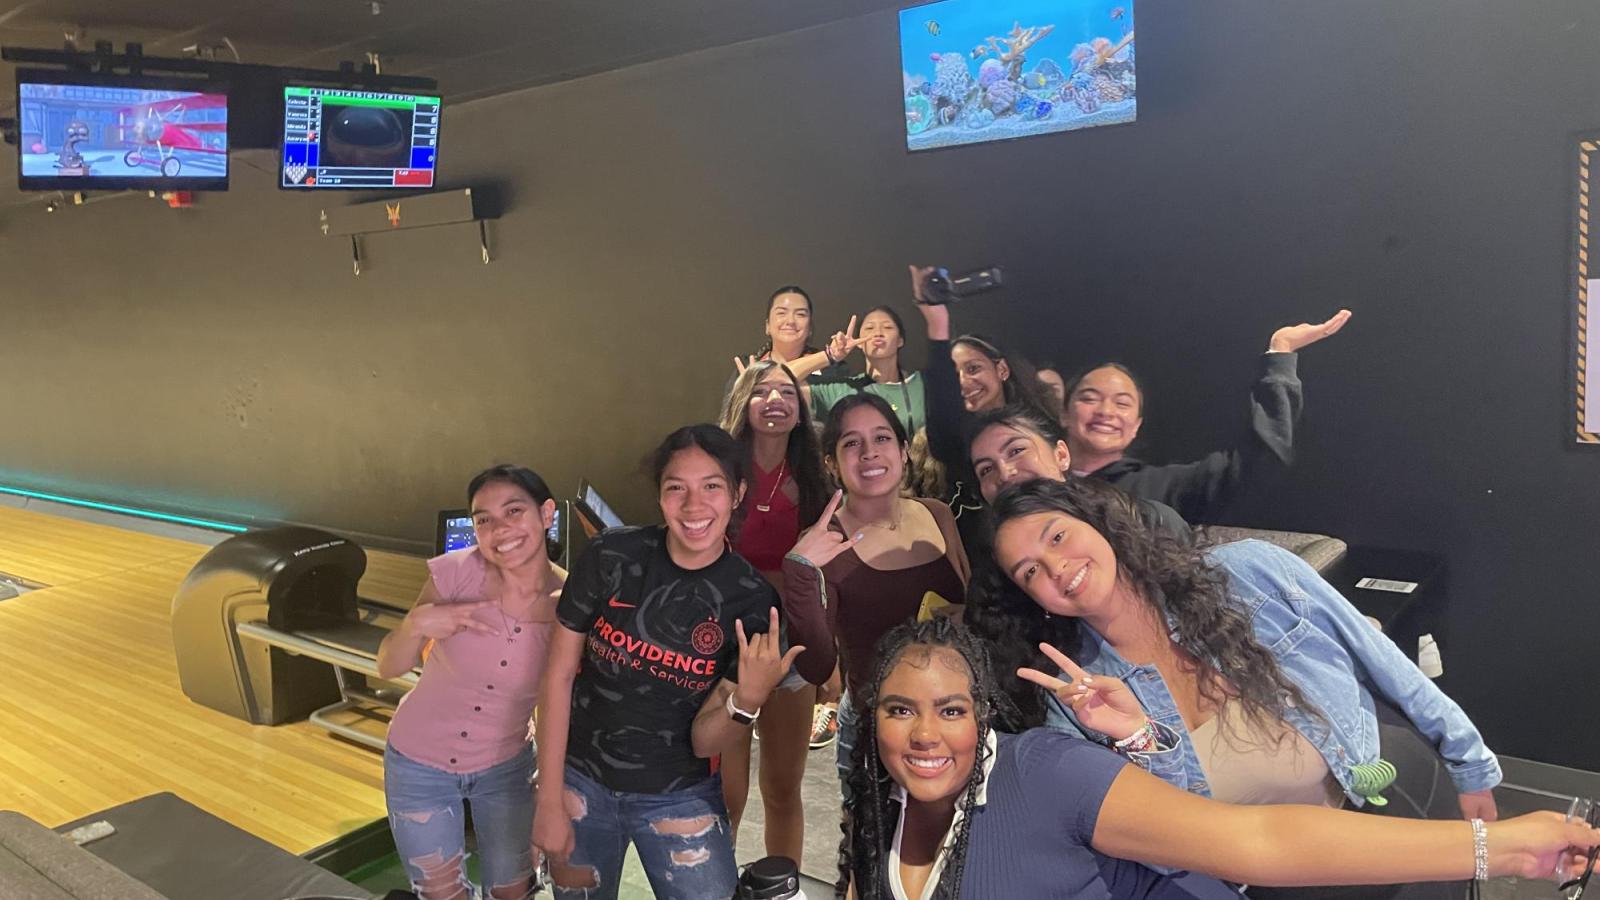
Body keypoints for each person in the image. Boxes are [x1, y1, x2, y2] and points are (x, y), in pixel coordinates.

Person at [838, 616, 1600, 900]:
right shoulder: (879, 812)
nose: (927, 735)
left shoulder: (1043, 773)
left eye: (951, 709)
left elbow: (1259, 842)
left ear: (983, 716)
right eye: (902, 711)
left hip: (1372, 768)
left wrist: (1496, 847)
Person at [985, 477, 1502, 825]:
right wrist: (1142, 738)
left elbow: (1379, 657)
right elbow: (1160, 833)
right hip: (1267, 882)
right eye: (1029, 571)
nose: (1055, 567)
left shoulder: (1250, 572)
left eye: (1057, 536)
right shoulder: (1076, 694)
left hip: (1379, 806)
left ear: (1097, 523)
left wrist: (1469, 763)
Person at [531, 425, 804, 900]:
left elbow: (704, 742)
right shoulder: (610, 557)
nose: (693, 506)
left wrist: (750, 698)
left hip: (680, 793)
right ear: (660, 496)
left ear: (738, 493)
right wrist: (548, 796)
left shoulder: (752, 602)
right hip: (580, 783)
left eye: (711, 487)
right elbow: (556, 678)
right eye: (676, 487)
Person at [375, 465, 566, 900]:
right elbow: (389, 665)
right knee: (440, 892)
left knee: (513, 889)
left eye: (514, 511)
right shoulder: (457, 572)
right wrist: (416, 623)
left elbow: (562, 701)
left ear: (546, 513)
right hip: (416, 762)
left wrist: (552, 791)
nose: (500, 530)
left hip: (506, 768)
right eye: (484, 519)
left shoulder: (570, 603)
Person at [781, 393, 969, 779]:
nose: (869, 453)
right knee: (877, 841)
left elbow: (968, 600)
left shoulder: (938, 514)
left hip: (954, 717)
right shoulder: (822, 542)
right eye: (852, 443)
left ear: (903, 451)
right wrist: (799, 573)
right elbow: (815, 667)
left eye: (882, 438)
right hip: (875, 728)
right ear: (832, 464)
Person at [1064, 309, 1351, 523]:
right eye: (1089, 398)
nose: (1105, 411)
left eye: (1122, 403)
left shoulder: (1161, 487)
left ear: (1136, 426)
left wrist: (1280, 354)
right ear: (1063, 413)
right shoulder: (1038, 483)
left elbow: (1261, 460)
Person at [716, 361, 831, 862]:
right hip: (722, 643)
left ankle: (781, 889)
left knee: (783, 788)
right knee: (724, 793)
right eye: (762, 391)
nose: (776, 399)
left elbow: (825, 572)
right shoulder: (719, 469)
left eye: (787, 391)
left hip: (792, 642)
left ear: (800, 410)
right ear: (743, 402)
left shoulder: (815, 477)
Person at [809, 305, 927, 436]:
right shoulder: (843, 388)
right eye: (870, 328)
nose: (878, 333)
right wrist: (829, 355)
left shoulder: (923, 384)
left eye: (888, 327)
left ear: (900, 340)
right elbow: (785, 377)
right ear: (858, 342)